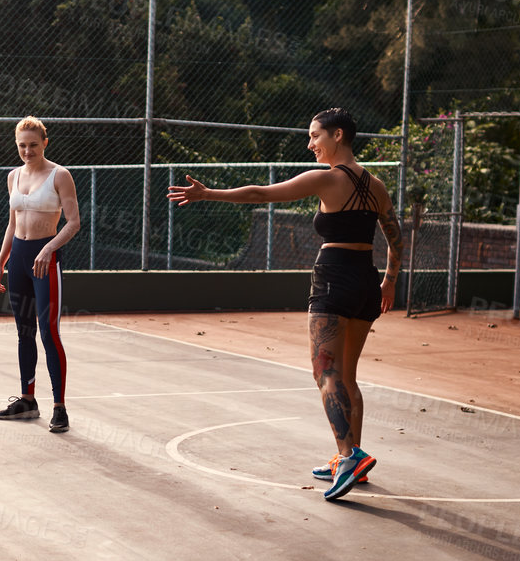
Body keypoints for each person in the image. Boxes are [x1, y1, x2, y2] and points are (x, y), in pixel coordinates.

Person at [167, 108, 402, 500]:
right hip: (366, 280)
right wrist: (389, 282)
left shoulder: (326, 179)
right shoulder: (375, 185)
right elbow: (395, 238)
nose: (310, 144)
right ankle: (349, 460)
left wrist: (208, 193)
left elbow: (260, 194)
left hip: (334, 276)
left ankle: (349, 455)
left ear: (337, 135)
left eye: (315, 136)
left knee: (324, 372)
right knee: (347, 376)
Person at [0, 117, 80, 433]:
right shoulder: (13, 176)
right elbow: (12, 224)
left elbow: (73, 222)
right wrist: (1, 262)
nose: (27, 151)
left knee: (49, 333)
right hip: (19, 259)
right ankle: (27, 401)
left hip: (45, 259)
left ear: (44, 143)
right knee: (24, 332)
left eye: (33, 145)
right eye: (22, 145)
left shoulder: (60, 175)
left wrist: (48, 249)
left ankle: (59, 407)